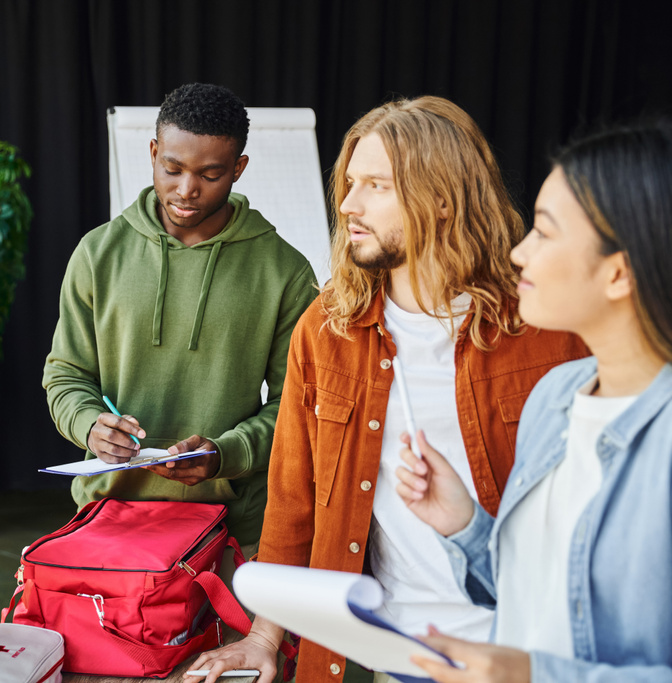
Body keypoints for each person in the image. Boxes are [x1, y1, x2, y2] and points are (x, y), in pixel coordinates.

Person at [187, 96, 588, 683]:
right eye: (349, 183)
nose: (348, 204)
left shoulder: (545, 330)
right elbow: (294, 501)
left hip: (526, 653)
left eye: (376, 184)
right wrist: (264, 636)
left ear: (443, 199)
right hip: (395, 655)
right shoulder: (327, 331)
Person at [396, 123, 672, 681]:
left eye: (544, 234)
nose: (520, 253)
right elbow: (542, 599)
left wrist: (529, 675)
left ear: (618, 272)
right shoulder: (555, 397)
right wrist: (466, 526)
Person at [43, 83, 317, 547]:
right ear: (153, 153)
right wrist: (90, 425)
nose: (186, 190)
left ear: (238, 168)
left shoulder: (285, 271)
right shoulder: (97, 254)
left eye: (210, 175)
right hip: (109, 518)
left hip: (232, 529)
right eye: (172, 169)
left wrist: (225, 454)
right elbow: (66, 375)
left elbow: (295, 405)